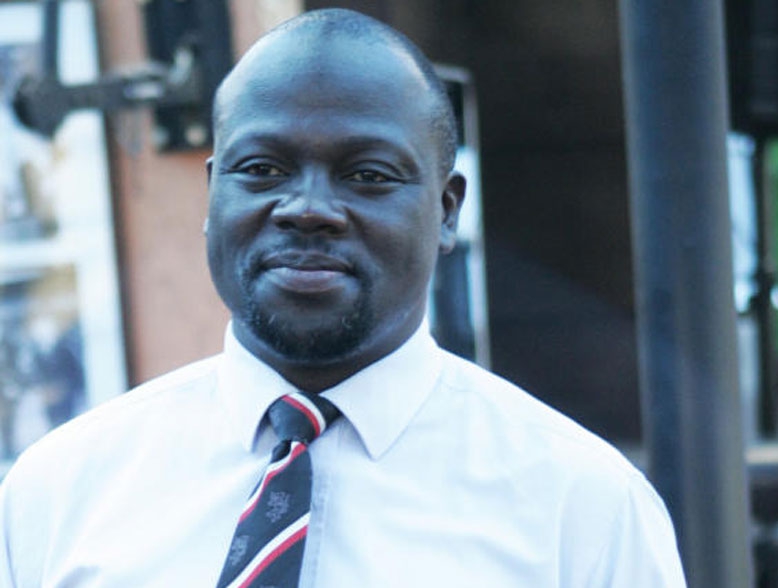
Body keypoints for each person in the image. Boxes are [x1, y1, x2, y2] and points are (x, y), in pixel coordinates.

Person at [0, 8, 686, 587]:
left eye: (368, 175)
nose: (307, 209)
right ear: (213, 195)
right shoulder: (59, 492)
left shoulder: (582, 509)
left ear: (447, 211)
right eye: (262, 168)